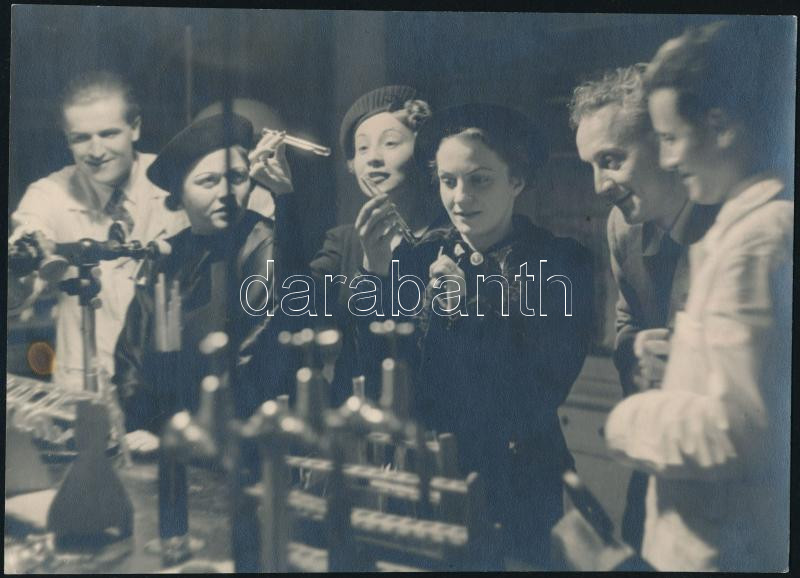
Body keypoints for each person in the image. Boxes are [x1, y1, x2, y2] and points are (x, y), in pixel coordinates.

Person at [604, 20, 792, 571]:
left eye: (669, 139)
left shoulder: (755, 242)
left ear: (720, 126)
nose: (666, 159)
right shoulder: (749, 228)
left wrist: (627, 420)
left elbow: (737, 431)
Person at [411, 103, 594, 567]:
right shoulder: (416, 257)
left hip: (520, 487)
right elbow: (394, 376)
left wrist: (468, 309)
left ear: (517, 180)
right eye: (448, 180)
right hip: (429, 480)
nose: (460, 197)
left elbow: (539, 388)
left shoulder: (559, 263)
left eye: (479, 180)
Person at [569, 64, 719, 553]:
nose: (599, 185)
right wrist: (635, 352)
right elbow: (627, 320)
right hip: (658, 457)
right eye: (591, 165)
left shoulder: (735, 225)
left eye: (611, 160)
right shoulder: (622, 227)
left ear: (664, 144)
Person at [113, 113, 300, 445]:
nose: (226, 193)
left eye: (237, 177)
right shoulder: (167, 257)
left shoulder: (265, 244)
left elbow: (253, 355)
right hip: (167, 442)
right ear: (179, 195)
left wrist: (188, 435)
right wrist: (141, 425)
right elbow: (132, 356)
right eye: (208, 181)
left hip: (245, 441)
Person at [8, 70, 189, 390]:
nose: (95, 151)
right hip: (81, 386)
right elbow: (18, 288)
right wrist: (23, 261)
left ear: (135, 128)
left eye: (108, 134)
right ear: (68, 140)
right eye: (81, 138)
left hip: (161, 383)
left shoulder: (176, 179)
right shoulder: (49, 193)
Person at [309, 85, 450, 404]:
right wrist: (281, 201)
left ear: (425, 152)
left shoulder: (452, 240)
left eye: (390, 143)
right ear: (351, 164)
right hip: (354, 418)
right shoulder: (343, 243)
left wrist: (376, 274)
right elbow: (290, 311)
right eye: (362, 148)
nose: (373, 158)